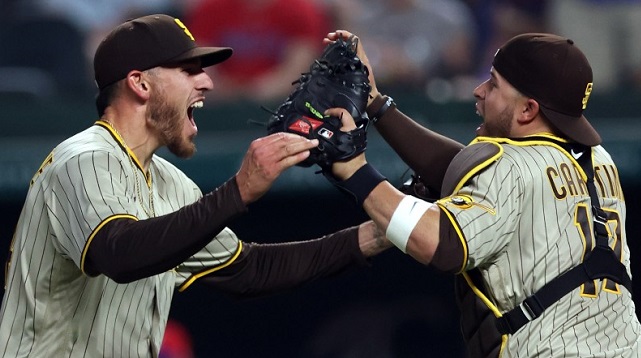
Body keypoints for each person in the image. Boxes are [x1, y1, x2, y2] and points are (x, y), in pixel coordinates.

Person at [0, 15, 392, 357]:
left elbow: (250, 270)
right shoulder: (83, 158)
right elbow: (118, 254)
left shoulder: (171, 183)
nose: (207, 82)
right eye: (189, 70)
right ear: (140, 83)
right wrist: (238, 190)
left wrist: (384, 229)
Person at [321, 30, 641, 357]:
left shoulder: (509, 168)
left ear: (527, 110)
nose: (479, 91)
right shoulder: (599, 159)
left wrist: (355, 171)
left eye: (493, 83)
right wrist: (376, 103)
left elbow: (441, 244)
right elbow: (474, 172)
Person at [184, 0, 331, 103]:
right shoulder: (210, 9)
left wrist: (259, 92)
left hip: (280, 105)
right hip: (219, 104)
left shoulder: (300, 9)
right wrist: (224, 90)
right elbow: (201, 61)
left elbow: (299, 66)